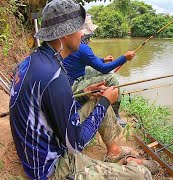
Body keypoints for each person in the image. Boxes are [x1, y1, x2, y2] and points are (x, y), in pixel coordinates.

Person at [9, 0, 158, 179]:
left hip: (37, 148)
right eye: (79, 29)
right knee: (142, 175)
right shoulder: (55, 78)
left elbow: (49, 103)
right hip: (49, 168)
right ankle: (134, 167)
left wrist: (85, 93)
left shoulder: (32, 61)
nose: (82, 34)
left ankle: (114, 151)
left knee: (95, 98)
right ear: (64, 34)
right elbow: (75, 144)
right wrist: (105, 103)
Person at [64, 15, 132, 127]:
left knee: (95, 69)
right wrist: (124, 57)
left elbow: (84, 60)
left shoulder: (68, 44)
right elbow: (103, 68)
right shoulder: (83, 48)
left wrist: (103, 60)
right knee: (111, 77)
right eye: (88, 32)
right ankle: (115, 113)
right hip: (74, 84)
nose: (90, 34)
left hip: (68, 77)